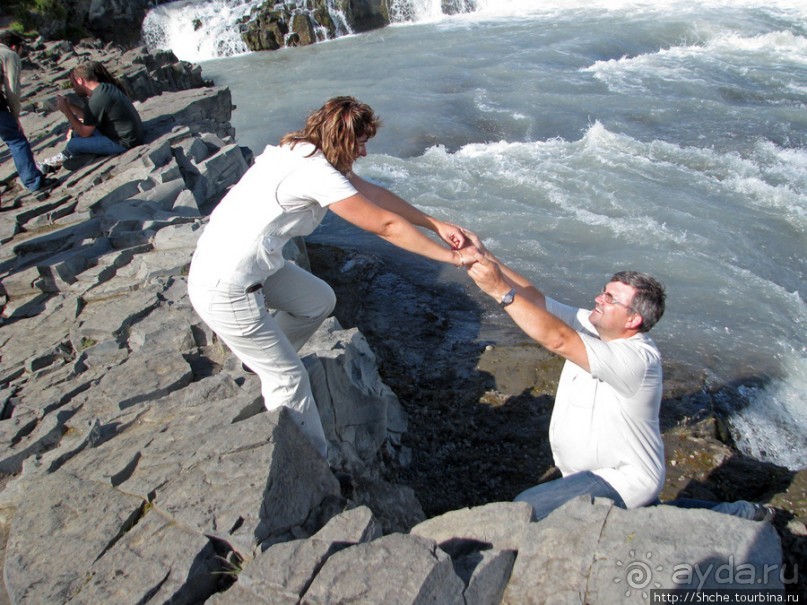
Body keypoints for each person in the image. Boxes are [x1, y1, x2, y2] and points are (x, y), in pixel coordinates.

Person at [188, 96, 474, 460]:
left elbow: (375, 195)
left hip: (249, 266)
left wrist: (437, 225)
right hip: (224, 285)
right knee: (290, 380)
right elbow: (385, 226)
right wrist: (451, 258)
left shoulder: (302, 149)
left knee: (318, 300)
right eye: (361, 142)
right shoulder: (314, 171)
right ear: (340, 138)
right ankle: (311, 462)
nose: (366, 152)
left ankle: (258, 358)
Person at [464, 233, 773, 522]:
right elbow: (537, 301)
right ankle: (740, 514)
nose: (599, 299)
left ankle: (741, 516)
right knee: (657, 521)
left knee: (525, 511)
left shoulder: (638, 360)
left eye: (611, 298)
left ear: (633, 319)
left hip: (624, 477)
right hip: (587, 473)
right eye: (604, 291)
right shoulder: (593, 325)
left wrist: (498, 290)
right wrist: (485, 257)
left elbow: (558, 339)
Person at [38, 61, 143, 172]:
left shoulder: (97, 99)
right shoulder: (104, 88)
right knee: (76, 133)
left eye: (73, 84)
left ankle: (63, 158)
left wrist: (66, 111)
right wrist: (71, 106)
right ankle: (83, 153)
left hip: (124, 142)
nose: (73, 88)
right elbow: (90, 118)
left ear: (80, 81)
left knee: (74, 144)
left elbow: (85, 132)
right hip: (129, 135)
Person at [0, 30, 56, 193]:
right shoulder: (8, 54)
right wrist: (15, 115)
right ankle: (34, 182)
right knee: (16, 140)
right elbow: (13, 90)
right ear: (14, 46)